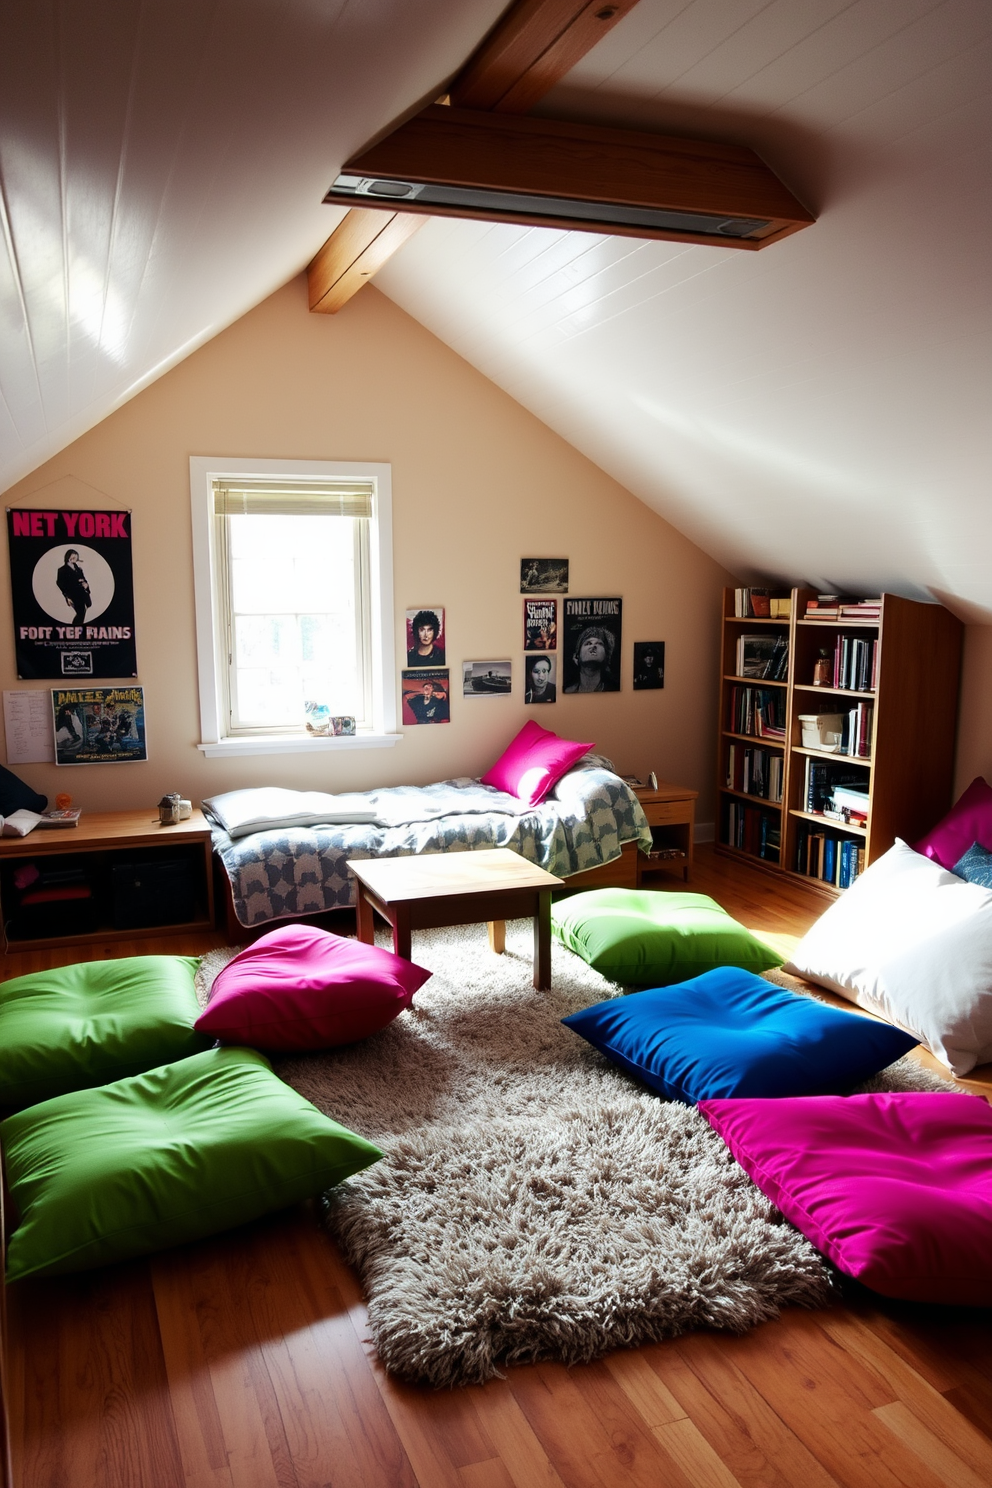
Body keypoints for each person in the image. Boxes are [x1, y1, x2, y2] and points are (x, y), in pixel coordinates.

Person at [564, 625, 618, 693]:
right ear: (576, 657)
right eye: (588, 643)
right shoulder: (568, 691)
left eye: (599, 643)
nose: (593, 646)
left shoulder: (613, 690)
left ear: (606, 657)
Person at [56, 548, 91, 625]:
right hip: (73, 595)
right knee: (80, 613)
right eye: (72, 557)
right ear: (68, 558)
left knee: (85, 610)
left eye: (75, 557)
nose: (74, 559)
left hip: (83, 593)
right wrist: (67, 597)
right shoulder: (62, 570)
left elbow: (84, 579)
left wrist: (86, 585)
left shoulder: (79, 569)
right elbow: (60, 584)